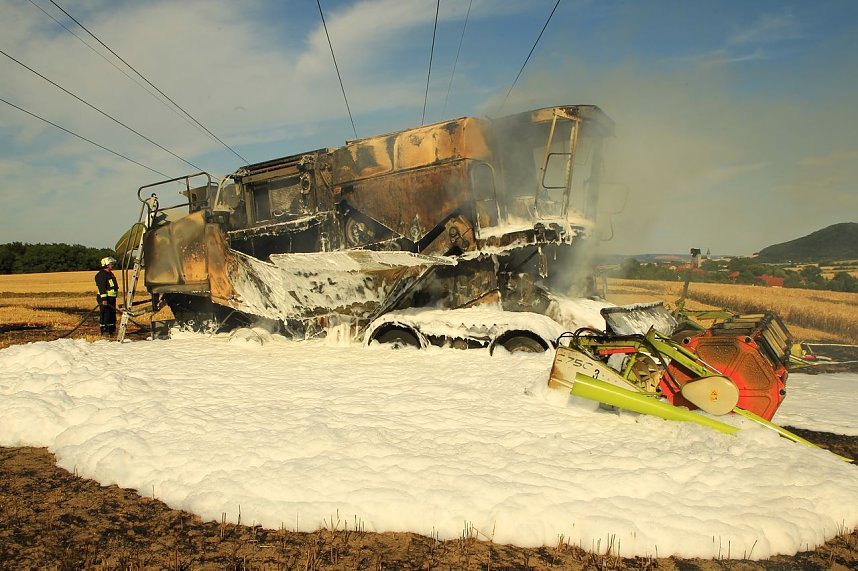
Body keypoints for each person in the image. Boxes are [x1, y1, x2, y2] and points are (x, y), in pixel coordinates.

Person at [95, 256, 118, 336]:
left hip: (111, 298)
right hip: (105, 298)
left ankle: (111, 330)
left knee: (112, 314)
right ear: (106, 265)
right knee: (106, 314)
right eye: (111, 264)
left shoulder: (110, 274)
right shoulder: (101, 275)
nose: (112, 265)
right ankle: (104, 330)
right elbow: (102, 287)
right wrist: (104, 299)